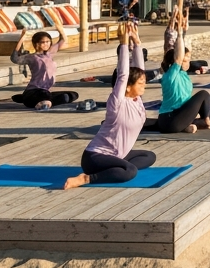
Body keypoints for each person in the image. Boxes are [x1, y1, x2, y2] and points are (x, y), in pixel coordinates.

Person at [65, 28, 153, 189]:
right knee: (130, 171)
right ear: (127, 87)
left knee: (149, 156)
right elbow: (123, 75)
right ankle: (86, 179)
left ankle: (117, 166)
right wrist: (124, 43)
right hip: (95, 157)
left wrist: (137, 43)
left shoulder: (137, 100)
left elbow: (140, 70)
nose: (144, 86)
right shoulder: (117, 102)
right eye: (140, 83)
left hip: (118, 154)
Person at [156, 38, 210, 133]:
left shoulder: (184, 74)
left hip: (179, 115)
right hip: (170, 120)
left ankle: (188, 126)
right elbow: (178, 57)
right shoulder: (171, 75)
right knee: (203, 94)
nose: (189, 63)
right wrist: (180, 33)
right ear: (175, 62)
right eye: (185, 60)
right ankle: (206, 122)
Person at [10, 30, 80, 109]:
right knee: (46, 95)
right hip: (35, 90)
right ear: (37, 44)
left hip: (45, 91)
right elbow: (14, 58)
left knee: (72, 95)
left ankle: (27, 99)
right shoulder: (32, 57)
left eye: (48, 41)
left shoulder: (49, 54)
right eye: (43, 42)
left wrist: (60, 29)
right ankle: (31, 99)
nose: (46, 44)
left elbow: (63, 40)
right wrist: (22, 38)